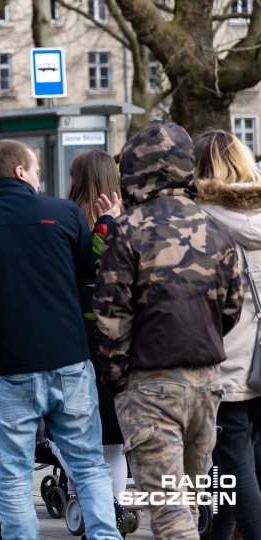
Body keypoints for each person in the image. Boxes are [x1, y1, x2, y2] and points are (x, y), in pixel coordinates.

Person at [0, 139, 122, 540]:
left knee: (11, 475)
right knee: (90, 464)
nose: (41, 175)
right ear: (21, 172)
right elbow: (91, 273)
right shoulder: (62, 214)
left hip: (8, 368)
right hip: (69, 363)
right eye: (37, 169)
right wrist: (107, 226)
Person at [94, 124, 243, 539]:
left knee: (170, 516)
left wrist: (119, 380)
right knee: (189, 507)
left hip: (151, 386)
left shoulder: (127, 230)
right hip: (207, 385)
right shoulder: (216, 229)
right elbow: (232, 307)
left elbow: (110, 317)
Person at [193, 130, 261, 540]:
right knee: (236, 466)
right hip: (258, 363)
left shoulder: (200, 222)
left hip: (226, 366)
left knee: (233, 466)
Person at [64, 149, 136, 533]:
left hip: (86, 338)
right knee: (112, 436)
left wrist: (106, 224)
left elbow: (96, 266)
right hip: (119, 340)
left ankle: (92, 502)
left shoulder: (72, 219)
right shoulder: (132, 217)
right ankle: (111, 508)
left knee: (81, 429)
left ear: (81, 180)